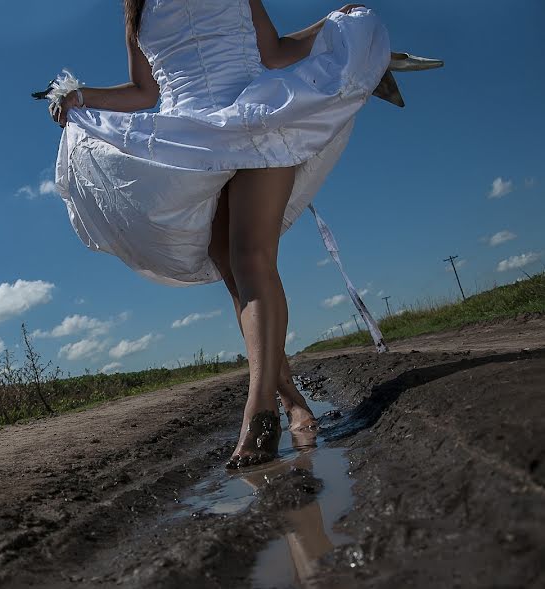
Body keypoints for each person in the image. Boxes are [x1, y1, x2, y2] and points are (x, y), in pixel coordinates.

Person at [40, 0, 440, 468]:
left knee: (252, 256)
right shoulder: (136, 11)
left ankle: (259, 412)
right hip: (188, 144)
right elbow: (144, 92)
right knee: (233, 270)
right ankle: (291, 402)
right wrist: (80, 97)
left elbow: (273, 51)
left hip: (258, 116)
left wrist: (331, 26)